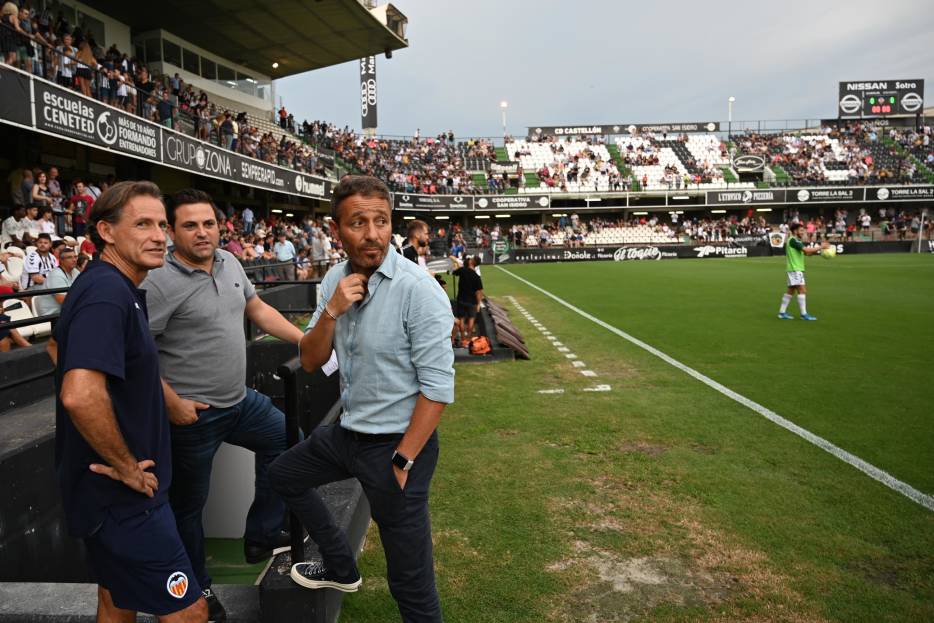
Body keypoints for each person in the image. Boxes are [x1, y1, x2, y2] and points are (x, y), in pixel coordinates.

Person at [269, 175, 454, 622]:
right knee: (282, 475)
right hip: (348, 435)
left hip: (397, 446)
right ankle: (340, 564)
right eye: (358, 223)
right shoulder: (335, 278)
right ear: (337, 230)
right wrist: (331, 311)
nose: (372, 234)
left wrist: (403, 461)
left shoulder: (418, 290)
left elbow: (438, 389)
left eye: (381, 222)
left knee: (409, 583)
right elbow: (311, 361)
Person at [141, 189, 305, 623]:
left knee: (291, 443)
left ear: (220, 226)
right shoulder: (156, 281)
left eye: (208, 223)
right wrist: (173, 403)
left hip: (240, 401)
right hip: (192, 417)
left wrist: (306, 341)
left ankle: (261, 534)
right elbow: (134, 352)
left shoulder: (229, 261)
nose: (202, 232)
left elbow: (256, 308)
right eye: (190, 225)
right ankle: (199, 589)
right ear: (171, 231)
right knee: (188, 508)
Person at [48, 181, 207, 622]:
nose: (159, 235)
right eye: (142, 224)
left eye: (161, 224)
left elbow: (56, 350)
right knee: (190, 610)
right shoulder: (106, 293)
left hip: (108, 496)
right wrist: (124, 464)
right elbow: (79, 394)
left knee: (118, 601)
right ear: (106, 231)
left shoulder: (110, 286)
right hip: (124, 499)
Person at [778, 222, 824, 321]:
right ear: (795, 231)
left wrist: (816, 251)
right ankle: (804, 314)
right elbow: (806, 251)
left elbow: (806, 253)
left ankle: (782, 313)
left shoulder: (794, 241)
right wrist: (821, 247)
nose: (803, 232)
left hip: (794, 269)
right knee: (802, 290)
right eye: (801, 230)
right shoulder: (794, 240)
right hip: (795, 269)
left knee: (790, 291)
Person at [35, 247, 79, 317]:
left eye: (75, 257)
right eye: (69, 257)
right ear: (61, 260)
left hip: (66, 311)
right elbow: (63, 301)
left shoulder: (75, 271)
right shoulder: (56, 275)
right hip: (51, 315)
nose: (74, 260)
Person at [451, 255, 484, 346]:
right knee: (471, 320)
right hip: (472, 301)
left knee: (461, 319)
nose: (469, 260)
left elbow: (454, 272)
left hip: (461, 299)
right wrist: (478, 304)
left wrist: (455, 265)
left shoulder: (463, 270)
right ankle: (467, 340)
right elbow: (479, 292)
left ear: (472, 262)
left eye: (471, 259)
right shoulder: (477, 276)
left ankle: (462, 339)